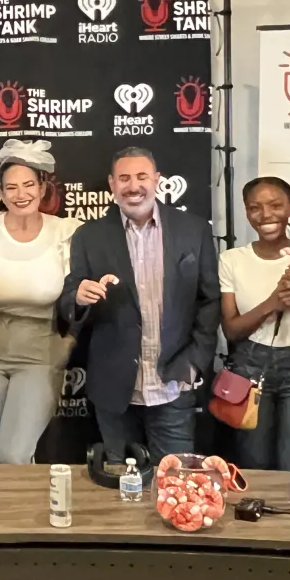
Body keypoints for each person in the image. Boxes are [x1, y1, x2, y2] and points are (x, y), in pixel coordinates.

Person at [58, 145, 219, 460]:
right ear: (112, 184)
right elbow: (68, 300)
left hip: (173, 384)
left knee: (176, 485)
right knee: (120, 487)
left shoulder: (194, 230)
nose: (133, 186)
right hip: (114, 389)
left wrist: (195, 361)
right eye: (124, 178)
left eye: (142, 176)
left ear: (158, 179)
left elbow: (210, 300)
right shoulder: (88, 236)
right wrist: (78, 298)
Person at [0, 139, 81, 463]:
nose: (20, 194)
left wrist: (71, 340)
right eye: (10, 187)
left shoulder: (67, 232)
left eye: (28, 184)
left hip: (40, 352)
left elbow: (87, 296)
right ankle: (10, 514)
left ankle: (19, 512)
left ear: (43, 188)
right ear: (0, 191)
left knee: (13, 454)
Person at [218, 176, 290, 470]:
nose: (266, 215)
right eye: (255, 207)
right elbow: (231, 329)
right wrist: (272, 304)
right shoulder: (231, 260)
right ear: (246, 212)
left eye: (275, 205)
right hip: (249, 367)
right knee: (252, 466)